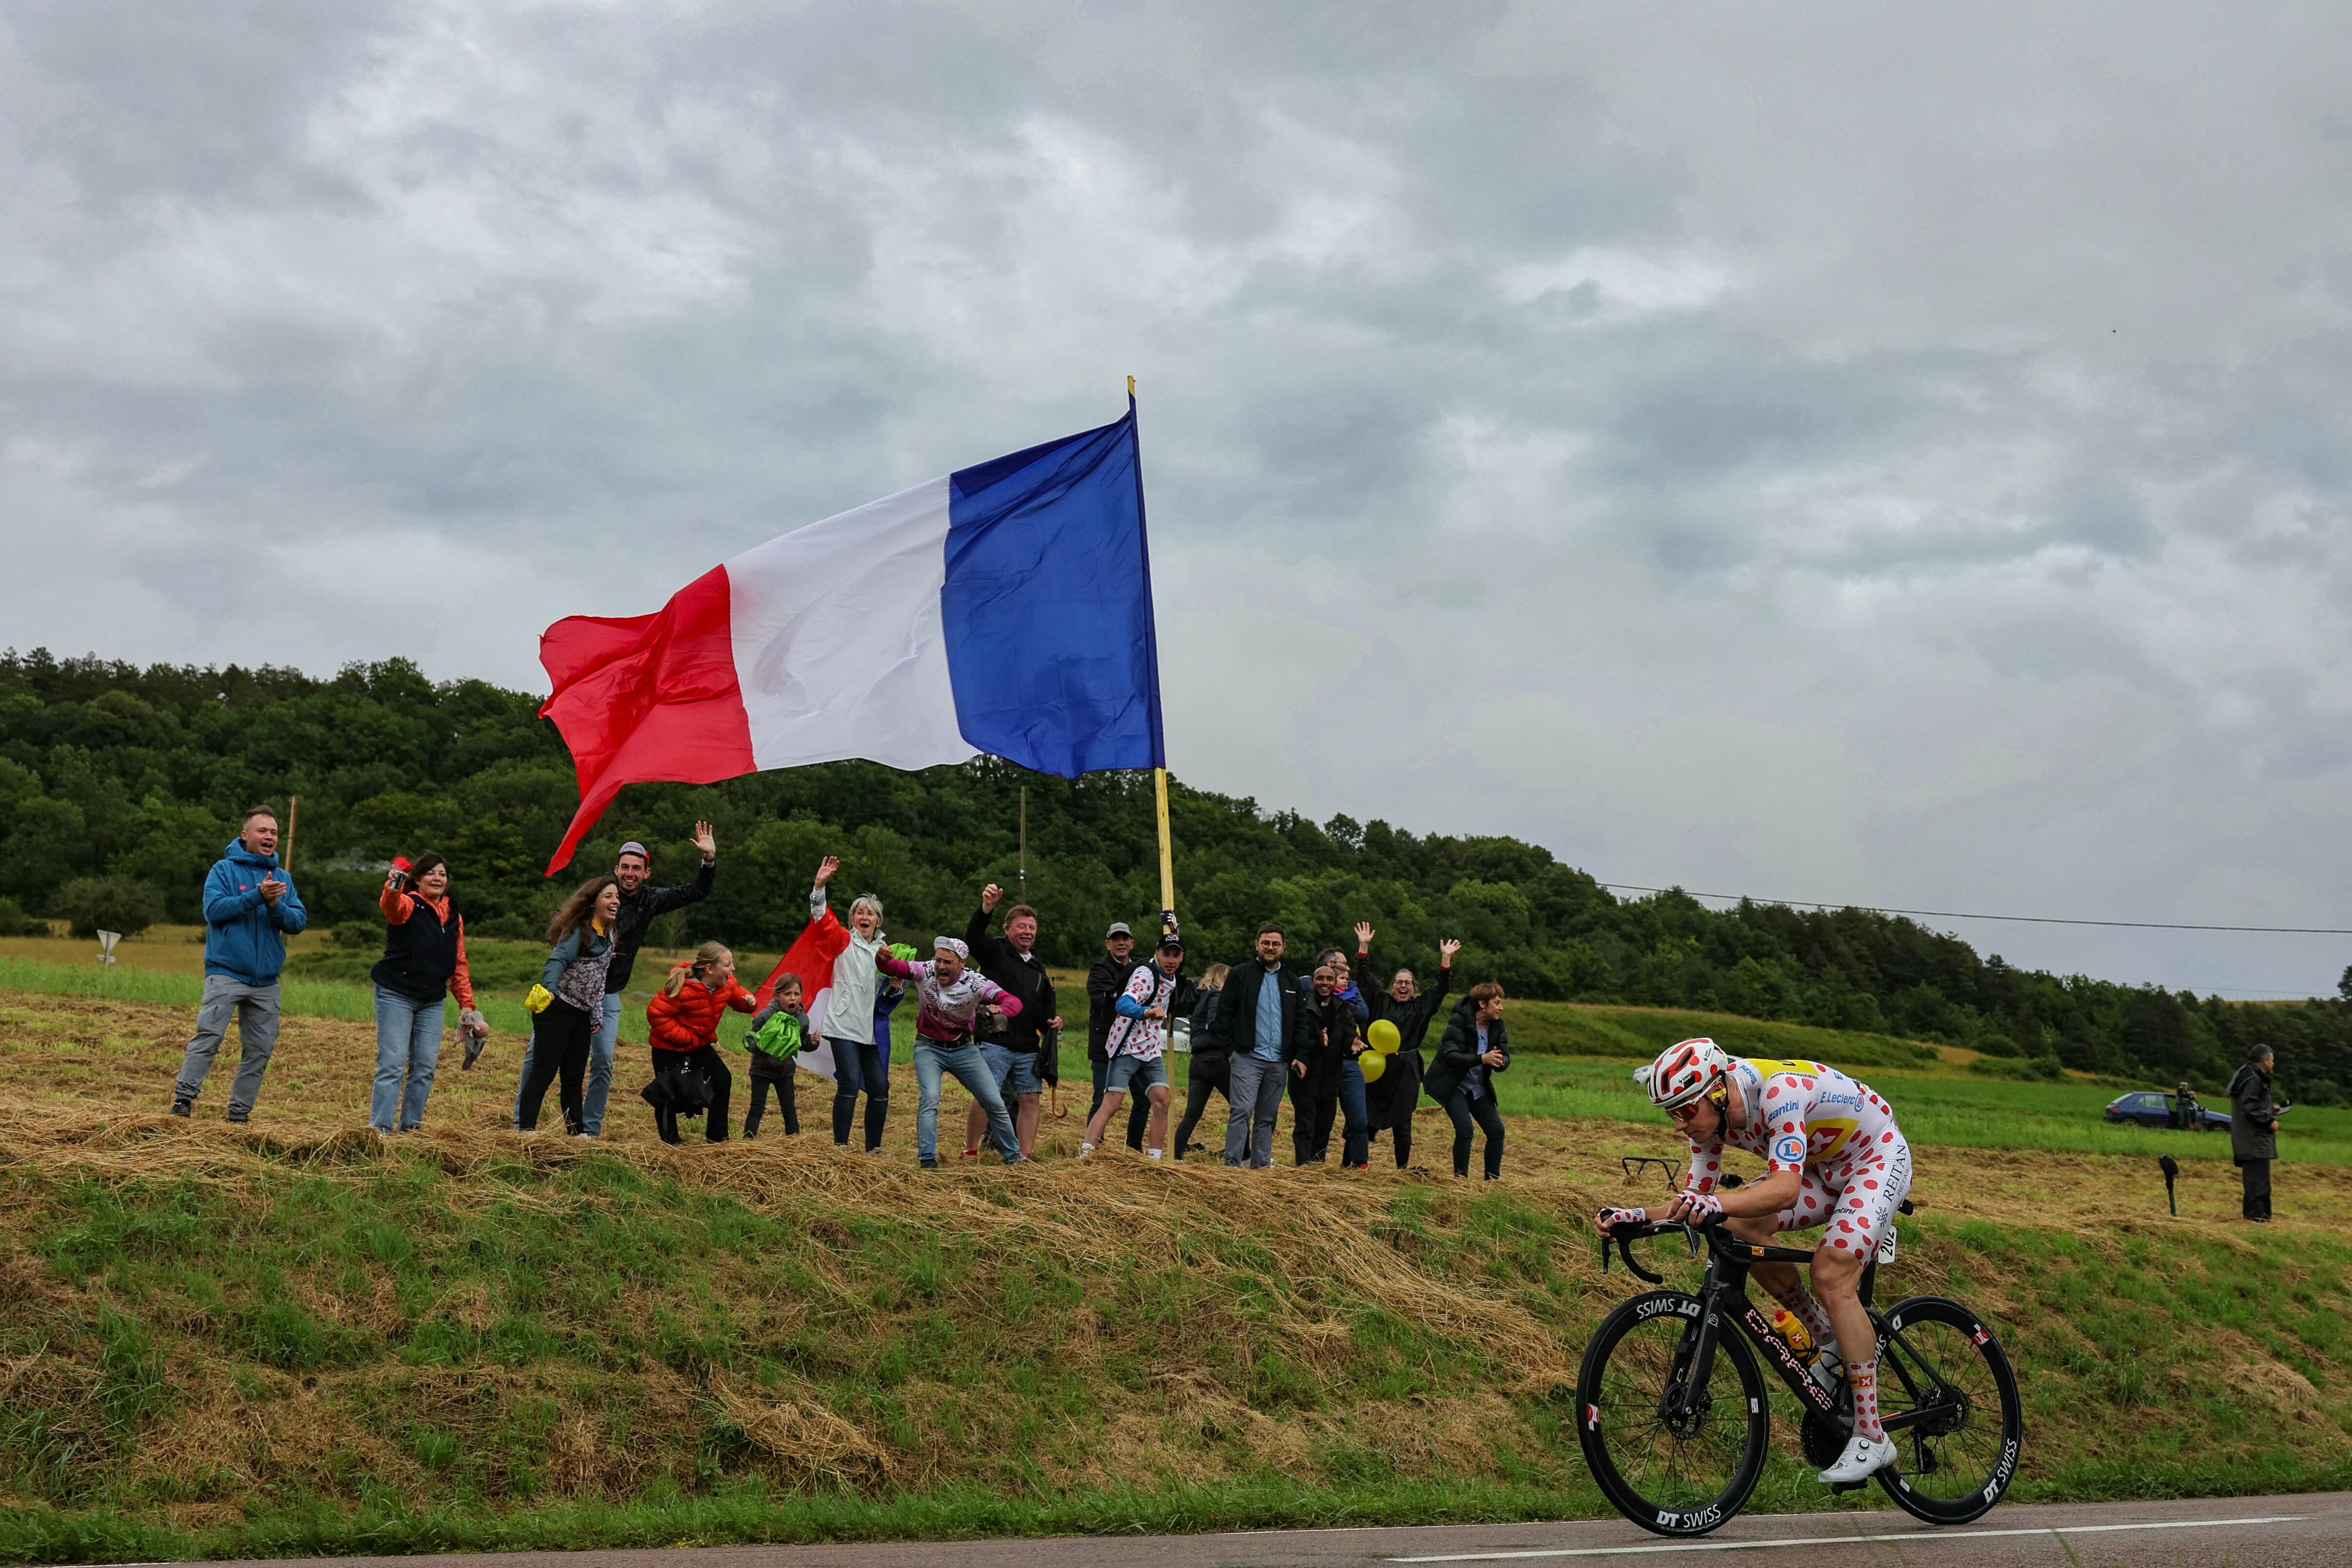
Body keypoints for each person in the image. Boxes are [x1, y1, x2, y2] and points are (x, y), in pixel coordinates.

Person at [1597, 1039, 1916, 1486]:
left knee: (1831, 1273)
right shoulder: (1710, 1123)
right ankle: (1827, 1336)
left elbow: (1784, 1190)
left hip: (1874, 1159)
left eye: (1686, 1111)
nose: (1680, 1124)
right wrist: (1637, 1217)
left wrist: (1714, 1204)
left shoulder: (1778, 1092)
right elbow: (1696, 1200)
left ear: (1718, 1091)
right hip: (1821, 1169)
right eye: (1672, 1114)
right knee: (1736, 1225)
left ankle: (1871, 1434)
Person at [510, 826, 718, 1137]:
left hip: (605, 996)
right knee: (539, 1059)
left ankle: (588, 1131)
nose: (629, 874)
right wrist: (573, 955)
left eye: (636, 868)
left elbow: (695, 891)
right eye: (625, 867)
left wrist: (709, 860)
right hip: (566, 996)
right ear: (616, 869)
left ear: (646, 873)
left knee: (601, 1062)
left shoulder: (649, 900)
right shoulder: (600, 893)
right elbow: (564, 925)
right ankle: (521, 1124)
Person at [172, 807, 308, 1123]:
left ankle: (239, 1114)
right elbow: (214, 911)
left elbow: (298, 922)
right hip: (226, 973)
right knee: (209, 1037)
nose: (270, 837)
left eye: (274, 833)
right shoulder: (223, 870)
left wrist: (274, 904)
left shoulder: (284, 879)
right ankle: (183, 1100)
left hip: (267, 981)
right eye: (263, 831)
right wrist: (257, 897)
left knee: (260, 1050)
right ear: (245, 836)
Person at [876, 937, 1024, 1169]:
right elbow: (894, 968)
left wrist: (1001, 1008)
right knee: (930, 1098)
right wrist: (882, 960)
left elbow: (1014, 1002)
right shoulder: (926, 970)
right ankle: (928, 1160)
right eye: (938, 960)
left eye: (947, 962)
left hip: (963, 1049)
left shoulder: (975, 982)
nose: (940, 966)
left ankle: (1014, 1158)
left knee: (994, 1101)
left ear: (962, 963)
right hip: (928, 1047)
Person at [368, 851, 488, 1135]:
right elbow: (391, 906)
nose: (437, 878)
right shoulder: (408, 903)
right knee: (393, 1064)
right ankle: (380, 1132)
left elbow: (458, 962)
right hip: (396, 992)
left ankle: (410, 1131)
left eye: (442, 874)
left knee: (424, 1067)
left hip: (432, 999)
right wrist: (394, 883)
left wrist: (466, 1003)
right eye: (431, 873)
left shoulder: (454, 916)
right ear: (418, 879)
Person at [962, 883, 1060, 1160]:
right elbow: (973, 938)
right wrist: (986, 909)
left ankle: (1024, 1156)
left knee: (1030, 1099)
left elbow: (1041, 1007)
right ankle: (971, 1150)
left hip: (1029, 1045)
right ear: (1007, 930)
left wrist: (1053, 1021)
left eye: (1032, 928)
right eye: (1022, 927)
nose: (1028, 932)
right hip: (995, 1040)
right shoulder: (994, 950)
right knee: (987, 1094)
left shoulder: (1037, 966)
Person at [517, 876, 620, 1135]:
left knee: (573, 1078)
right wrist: (551, 990)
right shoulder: (579, 931)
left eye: (617, 897)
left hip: (581, 1015)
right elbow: (557, 960)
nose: (615, 901)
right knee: (544, 1071)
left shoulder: (609, 934)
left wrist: (597, 1013)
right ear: (593, 902)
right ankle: (526, 1130)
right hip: (558, 1009)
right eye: (608, 896)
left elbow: (599, 979)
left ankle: (576, 1133)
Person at [1354, 925, 1459, 1170]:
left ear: (1414, 988)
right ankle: (1357, 1163)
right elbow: (1364, 978)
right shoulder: (1379, 1000)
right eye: (1399, 982)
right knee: (1365, 1115)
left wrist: (1445, 959)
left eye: (1408, 983)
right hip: (1377, 1066)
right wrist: (1364, 946)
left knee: (1403, 1121)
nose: (1404, 986)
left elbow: (1441, 989)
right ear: (1392, 986)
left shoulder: (1420, 1007)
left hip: (1406, 1070)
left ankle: (1401, 1169)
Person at [809, 856, 893, 1152]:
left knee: (880, 1089)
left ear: (878, 921)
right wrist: (819, 887)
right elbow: (822, 919)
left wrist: (896, 983)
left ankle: (874, 1148)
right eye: (860, 912)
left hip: (872, 1029)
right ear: (853, 919)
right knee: (849, 1085)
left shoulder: (887, 951)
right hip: (843, 1023)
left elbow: (891, 997)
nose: (865, 916)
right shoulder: (843, 940)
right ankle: (841, 1147)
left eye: (870, 913)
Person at [1083, 933, 1186, 1158]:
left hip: (1150, 1049)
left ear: (1182, 958)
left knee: (1162, 1101)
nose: (1170, 960)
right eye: (1166, 954)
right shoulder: (1145, 975)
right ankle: (1086, 1155)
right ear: (1157, 954)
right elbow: (1123, 1003)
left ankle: (1154, 1159)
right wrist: (1146, 1012)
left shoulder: (1173, 977)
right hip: (1127, 1046)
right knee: (1112, 1103)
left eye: (1176, 955)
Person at [1209, 924, 1300, 1168]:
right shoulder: (1240, 974)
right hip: (1247, 1057)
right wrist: (1230, 1051)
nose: (1270, 948)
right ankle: (1232, 1165)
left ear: (1283, 947)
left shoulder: (1291, 981)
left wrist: (1298, 1054)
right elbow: (1223, 1015)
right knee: (1242, 1111)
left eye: (1276, 944)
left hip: (1278, 1061)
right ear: (1257, 945)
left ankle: (1260, 1166)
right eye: (1266, 943)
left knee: (1267, 1117)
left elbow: (1299, 1022)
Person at [645, 941, 752, 1144]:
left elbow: (737, 995)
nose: (733, 968)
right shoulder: (683, 988)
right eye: (727, 965)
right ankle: (671, 1143)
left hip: (699, 1045)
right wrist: (685, 1037)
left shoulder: (726, 983)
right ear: (710, 969)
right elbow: (656, 1015)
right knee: (668, 1093)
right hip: (668, 1048)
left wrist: (747, 1001)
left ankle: (717, 1137)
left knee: (722, 1079)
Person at [1425, 983, 1510, 1179]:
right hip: (1454, 1086)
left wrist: (1501, 1062)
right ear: (1483, 1004)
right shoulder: (1459, 1021)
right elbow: (1451, 1056)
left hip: (1478, 1088)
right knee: (1465, 1130)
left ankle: (1492, 1181)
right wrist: (1482, 1059)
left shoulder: (1497, 1026)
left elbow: (1505, 1056)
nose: (1501, 1008)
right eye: (1497, 1003)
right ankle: (1461, 1180)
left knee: (1497, 1132)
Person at [1290, 961, 1370, 1167]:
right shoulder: (1301, 1007)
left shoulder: (1342, 1008)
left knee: (1325, 1126)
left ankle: (1318, 1166)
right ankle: (1304, 1167)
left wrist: (1353, 1043)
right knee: (1306, 1126)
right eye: (1320, 979)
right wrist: (1317, 1042)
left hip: (1331, 1078)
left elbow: (1349, 1035)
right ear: (1312, 983)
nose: (1325, 983)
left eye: (1329, 979)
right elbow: (1294, 1040)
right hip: (1306, 1077)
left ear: (1335, 984)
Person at [1087, 922, 1153, 1150]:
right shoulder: (1099, 970)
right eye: (1116, 939)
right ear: (1108, 944)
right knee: (1102, 1100)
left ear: (1132, 943)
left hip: (1134, 1046)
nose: (1121, 943)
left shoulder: (1142, 969)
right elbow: (1106, 1000)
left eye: (1125, 939)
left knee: (1144, 1098)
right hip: (1105, 1046)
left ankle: (1134, 1149)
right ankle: (1093, 1149)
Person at [1171, 961, 1231, 1160]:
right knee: (1240, 1107)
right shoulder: (1217, 995)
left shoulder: (1200, 998)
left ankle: (1176, 1153)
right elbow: (1215, 1022)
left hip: (1197, 1059)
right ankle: (1243, 1152)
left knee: (1192, 1113)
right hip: (1216, 1057)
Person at [742, 972, 810, 1138]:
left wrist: (812, 1042)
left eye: (797, 994)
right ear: (777, 996)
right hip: (761, 1070)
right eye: (787, 994)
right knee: (757, 1107)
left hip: (785, 1072)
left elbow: (803, 1044)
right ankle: (747, 1141)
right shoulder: (766, 1016)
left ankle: (794, 1141)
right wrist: (758, 1046)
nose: (792, 998)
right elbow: (750, 1037)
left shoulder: (802, 1020)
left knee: (789, 1109)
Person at [2229, 1045, 2284, 1222]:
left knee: (2258, 1182)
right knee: (2258, 1184)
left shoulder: (2247, 1074)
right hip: (2254, 1141)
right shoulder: (2253, 1079)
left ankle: (2259, 1218)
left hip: (2250, 1140)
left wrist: (2269, 1109)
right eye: (2272, 1060)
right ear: (2265, 1061)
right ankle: (2256, 1220)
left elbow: (2250, 1105)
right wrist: (2269, 1121)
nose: (2274, 1064)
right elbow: (2249, 1108)